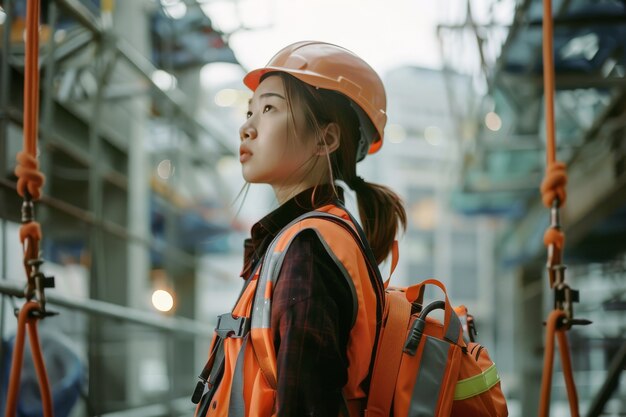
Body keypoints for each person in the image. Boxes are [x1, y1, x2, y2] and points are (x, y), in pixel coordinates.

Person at [193, 40, 406, 417]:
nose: (246, 127)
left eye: (270, 108)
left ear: (326, 139)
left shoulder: (308, 251)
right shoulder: (302, 241)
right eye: (250, 111)